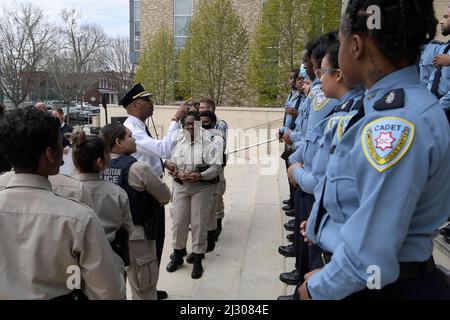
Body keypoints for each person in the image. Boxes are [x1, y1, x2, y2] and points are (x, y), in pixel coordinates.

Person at [300, 0, 450, 300]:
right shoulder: (388, 107)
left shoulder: (394, 124)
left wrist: (313, 291)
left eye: (340, 43)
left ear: (355, 46)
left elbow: (366, 259)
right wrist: (321, 224)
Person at [0, 108, 124, 299]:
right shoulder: (79, 219)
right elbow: (108, 290)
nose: (64, 149)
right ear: (50, 154)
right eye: (61, 144)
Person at [121, 83, 187, 300]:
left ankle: (150, 288)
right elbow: (163, 147)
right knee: (147, 249)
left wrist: (164, 164)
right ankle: (143, 292)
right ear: (136, 105)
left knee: (156, 244)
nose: (152, 104)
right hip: (144, 195)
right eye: (148, 100)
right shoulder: (132, 129)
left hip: (150, 188)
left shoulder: (138, 126)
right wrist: (176, 121)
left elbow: (151, 154)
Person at [101, 122, 171, 300]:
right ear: (118, 142)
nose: (134, 140)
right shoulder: (137, 168)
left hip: (107, 238)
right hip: (137, 237)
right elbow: (164, 196)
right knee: (144, 290)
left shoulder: (97, 167)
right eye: (130, 136)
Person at [71, 128, 133, 299]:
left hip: (73, 266)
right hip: (110, 260)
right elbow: (128, 228)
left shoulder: (65, 191)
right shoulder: (117, 193)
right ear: (101, 162)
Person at [165, 112, 220, 279]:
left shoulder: (209, 142)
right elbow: (169, 162)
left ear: (199, 125)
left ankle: (197, 259)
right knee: (178, 222)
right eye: (187, 124)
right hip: (181, 187)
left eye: (193, 124)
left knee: (199, 223)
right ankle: (178, 254)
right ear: (183, 126)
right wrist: (176, 172)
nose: (190, 127)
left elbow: (215, 167)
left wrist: (200, 175)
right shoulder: (176, 141)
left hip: (201, 188)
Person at [198, 97, 228, 239]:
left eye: (206, 108)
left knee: (217, 194)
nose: (203, 111)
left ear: (213, 109)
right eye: (201, 108)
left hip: (216, 164)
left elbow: (217, 145)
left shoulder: (220, 124)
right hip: (200, 165)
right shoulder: (197, 122)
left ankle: (218, 220)